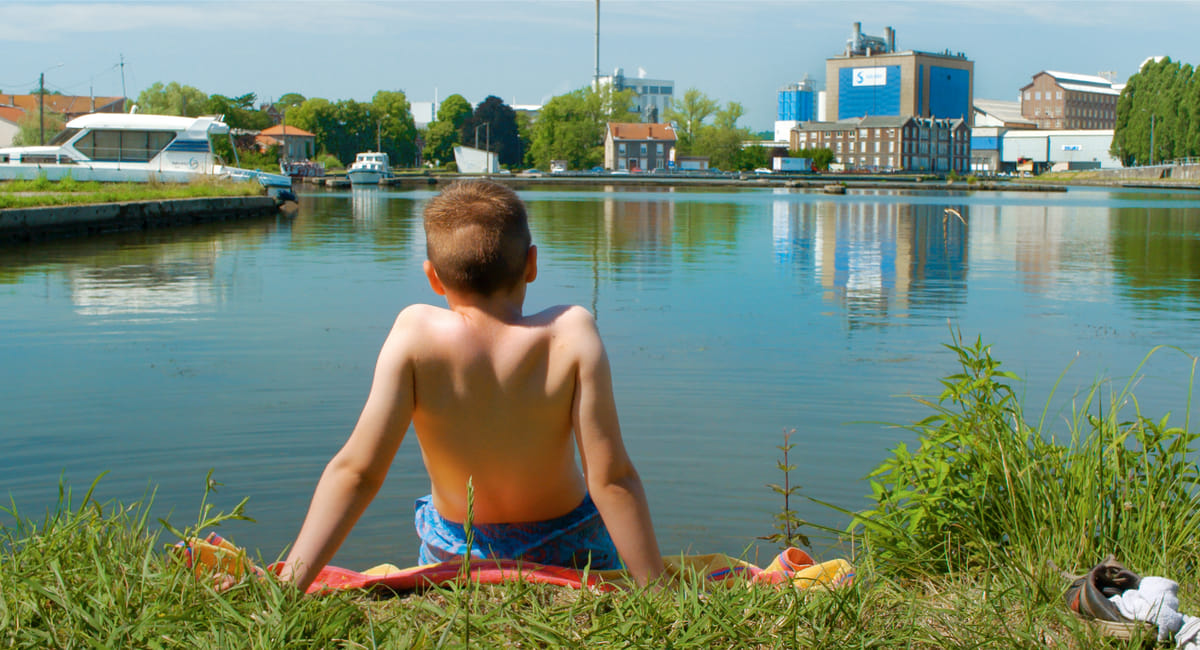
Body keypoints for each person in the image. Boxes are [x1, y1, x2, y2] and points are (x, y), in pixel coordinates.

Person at [279, 180, 664, 592]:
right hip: (570, 552)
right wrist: (657, 589)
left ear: (433, 277)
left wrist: (289, 586)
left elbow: (358, 472)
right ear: (532, 264)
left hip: (456, 556)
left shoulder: (416, 335)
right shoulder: (570, 332)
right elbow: (611, 479)